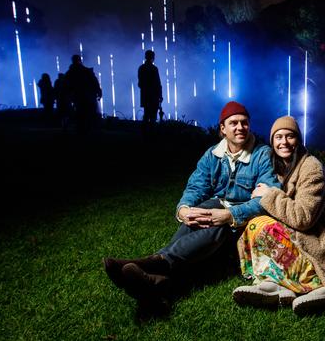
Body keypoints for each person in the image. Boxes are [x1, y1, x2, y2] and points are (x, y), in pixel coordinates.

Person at [103, 101, 281, 310]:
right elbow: (196, 186)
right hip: (216, 208)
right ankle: (158, 281)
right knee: (201, 210)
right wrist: (184, 209)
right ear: (222, 128)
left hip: (241, 221)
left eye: (244, 123)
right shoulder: (212, 155)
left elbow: (265, 200)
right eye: (233, 123)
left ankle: (151, 265)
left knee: (220, 224)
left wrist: (229, 215)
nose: (240, 127)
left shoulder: (263, 155)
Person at [232, 116, 325, 315]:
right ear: (272, 141)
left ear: (298, 140)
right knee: (255, 225)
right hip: (301, 230)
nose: (284, 142)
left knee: (266, 227)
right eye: (278, 137)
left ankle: (319, 286)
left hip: (323, 239)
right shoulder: (278, 165)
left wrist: (269, 194)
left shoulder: (312, 168)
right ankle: (275, 283)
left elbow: (303, 218)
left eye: (290, 136)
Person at [65, 55, 101, 133]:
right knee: (84, 114)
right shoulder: (82, 71)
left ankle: (85, 130)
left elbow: (95, 82)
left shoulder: (72, 72)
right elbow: (95, 82)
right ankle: (86, 130)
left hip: (83, 97)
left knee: (84, 114)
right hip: (83, 97)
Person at [137, 50, 162, 125]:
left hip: (146, 96)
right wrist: (160, 95)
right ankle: (151, 133)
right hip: (154, 96)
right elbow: (158, 83)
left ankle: (145, 133)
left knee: (147, 114)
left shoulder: (141, 68)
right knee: (153, 116)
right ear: (153, 58)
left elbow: (140, 84)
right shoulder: (154, 69)